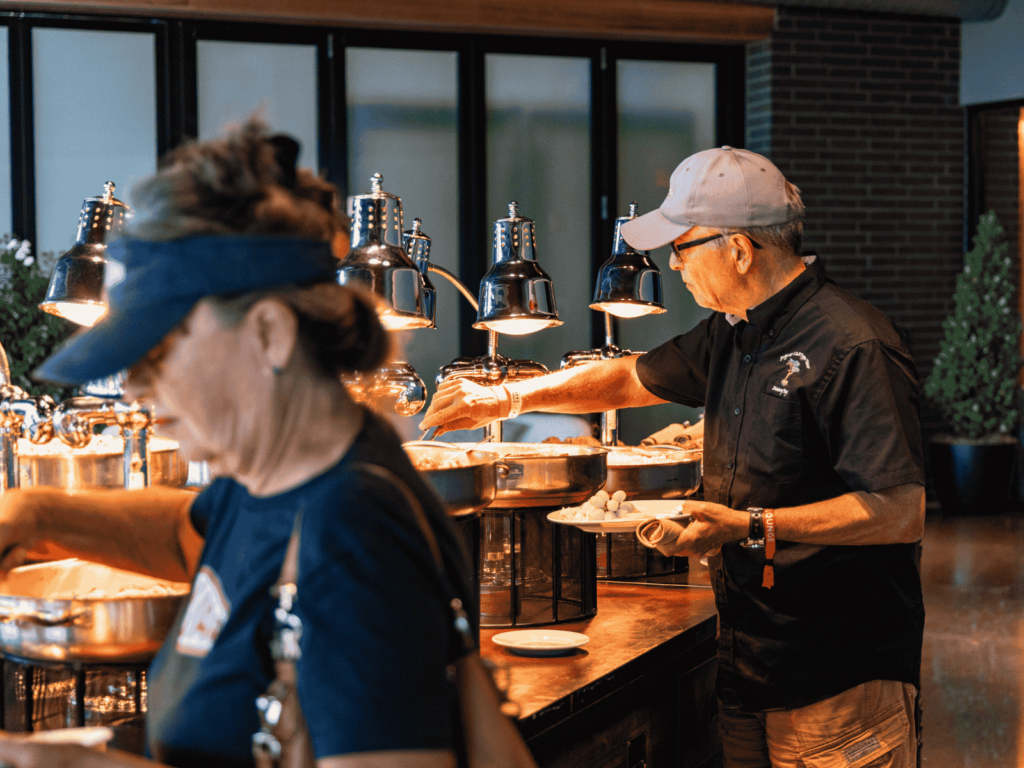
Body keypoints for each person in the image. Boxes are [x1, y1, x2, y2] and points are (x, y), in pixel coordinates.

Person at [421, 146, 925, 767]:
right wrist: (504, 397)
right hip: (750, 663)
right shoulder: (736, 329)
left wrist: (748, 525)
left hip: (836, 677)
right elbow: (629, 376)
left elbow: (898, 510)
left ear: (739, 251)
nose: (675, 265)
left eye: (682, 248)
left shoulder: (854, 343)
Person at [0, 121, 473, 768]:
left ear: (269, 335)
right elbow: (188, 537)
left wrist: (80, 766)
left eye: (160, 350)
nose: (133, 386)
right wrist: (38, 515)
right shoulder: (272, 481)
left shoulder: (355, 534)